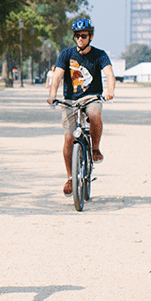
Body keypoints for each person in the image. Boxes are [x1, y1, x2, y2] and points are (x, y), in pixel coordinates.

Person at [47, 18, 115, 196]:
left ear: (91, 36)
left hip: (91, 97)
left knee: (94, 114)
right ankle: (70, 177)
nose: (80, 39)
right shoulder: (66, 54)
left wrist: (110, 91)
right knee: (69, 138)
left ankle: (95, 148)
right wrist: (52, 95)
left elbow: (109, 73)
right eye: (77, 36)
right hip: (70, 100)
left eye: (84, 36)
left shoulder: (99, 55)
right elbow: (57, 76)